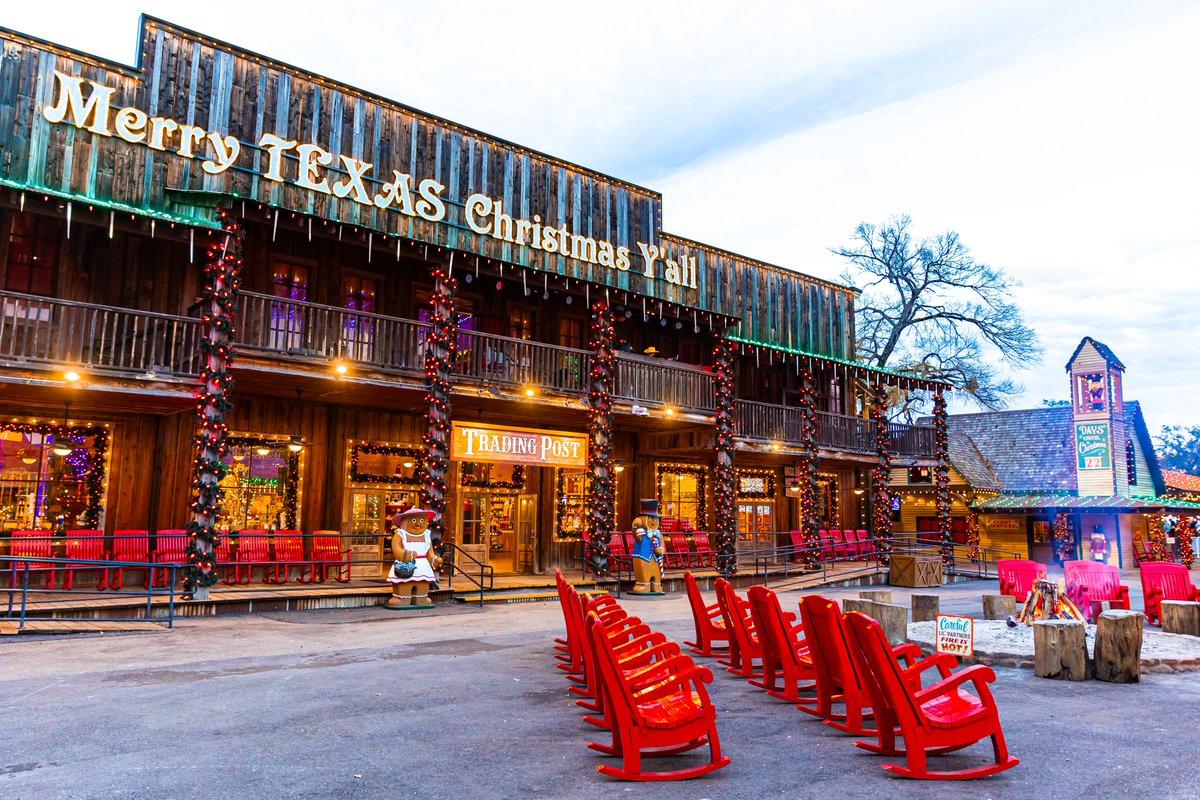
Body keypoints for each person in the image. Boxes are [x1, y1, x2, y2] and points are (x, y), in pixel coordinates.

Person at [385, 506, 442, 608]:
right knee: (404, 582)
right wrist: (404, 554)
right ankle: (402, 598)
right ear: (405, 521)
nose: (418, 523)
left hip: (422, 566)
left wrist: (434, 559)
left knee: (422, 583)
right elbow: (396, 548)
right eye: (414, 520)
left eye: (421, 520)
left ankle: (421, 598)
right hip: (405, 564)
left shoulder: (426, 535)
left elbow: (430, 552)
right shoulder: (401, 534)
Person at [630, 499, 665, 595]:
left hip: (655, 559)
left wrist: (660, 550)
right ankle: (644, 584)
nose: (653, 522)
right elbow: (637, 538)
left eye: (655, 519)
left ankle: (656, 584)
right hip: (643, 558)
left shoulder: (658, 534)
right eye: (650, 518)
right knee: (644, 573)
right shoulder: (641, 531)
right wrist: (635, 527)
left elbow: (662, 545)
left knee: (656, 573)